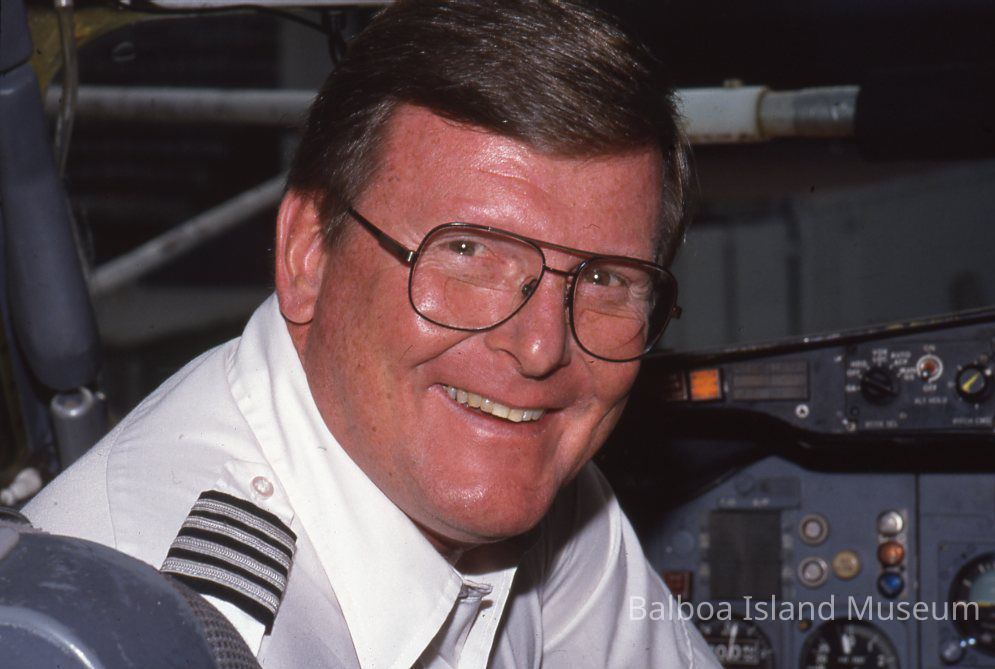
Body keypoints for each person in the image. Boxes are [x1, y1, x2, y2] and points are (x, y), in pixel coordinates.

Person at [26, 1, 719, 667]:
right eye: (468, 251)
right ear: (308, 253)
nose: (541, 350)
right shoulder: (173, 628)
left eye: (605, 280)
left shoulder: (547, 490)